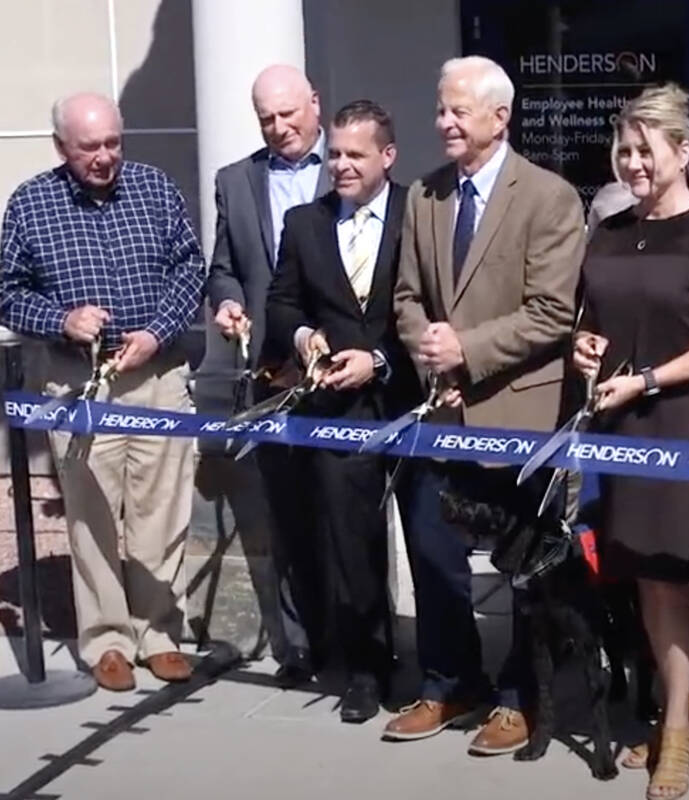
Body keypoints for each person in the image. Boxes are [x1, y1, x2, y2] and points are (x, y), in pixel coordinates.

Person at [385, 56, 585, 754]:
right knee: (432, 548)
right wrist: (429, 348)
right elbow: (407, 297)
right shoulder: (425, 196)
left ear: (500, 117)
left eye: (458, 110)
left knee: (524, 565)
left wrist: (466, 347)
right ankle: (447, 681)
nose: (443, 121)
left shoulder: (550, 197)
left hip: (518, 414)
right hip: (442, 414)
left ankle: (518, 694)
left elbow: (552, 312)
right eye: (441, 109)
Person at [573, 83, 689, 800]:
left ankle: (674, 727)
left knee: (669, 576)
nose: (633, 163)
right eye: (625, 149)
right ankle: (682, 703)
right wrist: (584, 348)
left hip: (680, 427)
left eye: (647, 150)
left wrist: (646, 381)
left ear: (683, 152)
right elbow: (591, 318)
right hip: (615, 423)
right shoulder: (610, 230)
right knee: (642, 577)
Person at [0, 93, 204, 691]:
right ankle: (107, 641)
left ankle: (159, 634)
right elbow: (6, 291)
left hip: (155, 373)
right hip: (76, 381)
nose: (105, 156)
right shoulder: (31, 203)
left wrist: (157, 331)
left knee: (161, 511)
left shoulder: (155, 188)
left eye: (114, 143)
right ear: (62, 147)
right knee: (91, 517)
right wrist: (59, 319)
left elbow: (189, 268)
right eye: (91, 147)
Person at [265, 100, 417, 723]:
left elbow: (436, 302)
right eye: (334, 153)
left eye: (355, 154)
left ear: (387, 155)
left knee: (435, 546)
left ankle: (447, 672)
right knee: (352, 547)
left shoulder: (422, 213)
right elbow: (280, 303)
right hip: (337, 408)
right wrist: (304, 340)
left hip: (413, 402)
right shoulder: (305, 222)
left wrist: (379, 359)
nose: (340, 166)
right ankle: (366, 668)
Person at [207, 64, 330, 688]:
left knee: (347, 514)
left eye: (289, 114)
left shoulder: (353, 165)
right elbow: (223, 267)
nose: (280, 128)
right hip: (272, 373)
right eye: (267, 120)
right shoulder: (235, 181)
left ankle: (364, 647)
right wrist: (226, 301)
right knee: (285, 517)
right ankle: (300, 648)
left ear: (315, 103)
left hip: (344, 370)